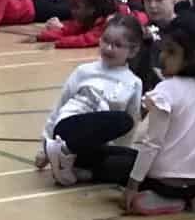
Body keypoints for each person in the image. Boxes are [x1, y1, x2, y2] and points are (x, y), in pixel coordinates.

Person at [95, 12, 195, 215]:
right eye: (163, 49)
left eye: (171, 52)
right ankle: (185, 197)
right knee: (118, 154)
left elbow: (152, 143)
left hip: (163, 181)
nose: (162, 57)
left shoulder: (167, 90)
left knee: (110, 165)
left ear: (194, 57)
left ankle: (163, 200)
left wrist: (132, 185)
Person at [39, 14, 145, 184]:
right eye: (105, 41)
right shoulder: (84, 71)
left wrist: (121, 155)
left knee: (135, 160)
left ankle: (75, 167)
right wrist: (45, 145)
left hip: (93, 145)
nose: (108, 48)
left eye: (117, 45)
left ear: (133, 51)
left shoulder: (134, 83)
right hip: (67, 130)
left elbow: (131, 127)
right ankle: (62, 151)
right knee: (123, 120)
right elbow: (60, 105)